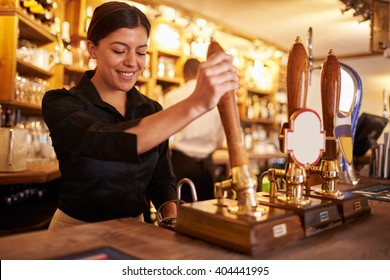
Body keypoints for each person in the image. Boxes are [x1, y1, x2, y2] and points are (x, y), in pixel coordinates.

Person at [41, 1, 238, 230]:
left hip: (137, 229)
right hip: (74, 231)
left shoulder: (151, 109)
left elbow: (162, 181)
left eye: (141, 52)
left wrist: (172, 222)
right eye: (119, 50)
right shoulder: (61, 102)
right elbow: (107, 141)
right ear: (92, 49)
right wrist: (195, 103)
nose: (132, 62)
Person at [164, 58, 225, 202]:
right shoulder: (216, 99)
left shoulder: (173, 96)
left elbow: (165, 136)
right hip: (207, 166)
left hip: (181, 162)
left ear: (184, 74)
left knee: (180, 213)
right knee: (206, 213)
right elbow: (220, 138)